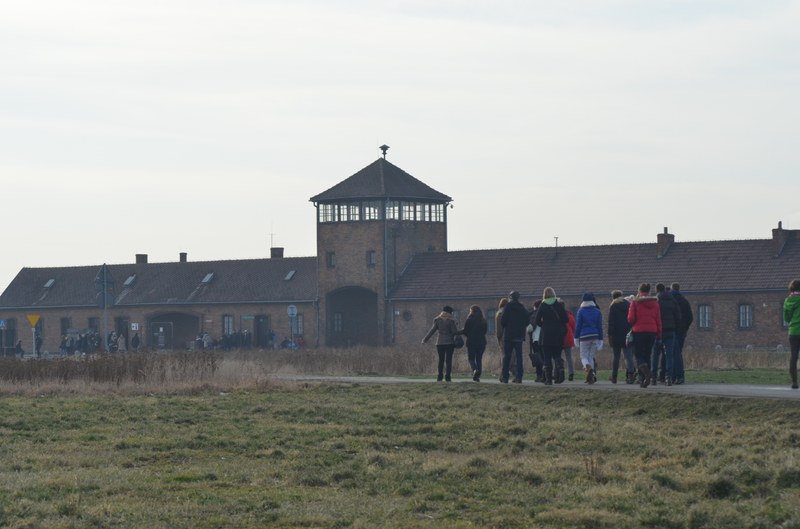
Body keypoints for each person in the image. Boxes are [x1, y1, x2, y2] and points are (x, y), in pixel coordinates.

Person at [532, 287, 568, 385]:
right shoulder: (558, 304)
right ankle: (560, 372)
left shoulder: (543, 305)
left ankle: (548, 380)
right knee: (557, 355)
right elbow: (565, 319)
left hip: (546, 335)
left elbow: (537, 320)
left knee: (547, 357)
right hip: (557, 334)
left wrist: (544, 324)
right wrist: (557, 322)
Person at [628, 283, 662, 388]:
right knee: (647, 355)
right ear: (649, 291)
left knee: (638, 355)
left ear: (639, 291)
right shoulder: (655, 303)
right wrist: (659, 334)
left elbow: (631, 319)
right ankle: (644, 380)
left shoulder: (635, 302)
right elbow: (658, 320)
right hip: (652, 332)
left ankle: (646, 374)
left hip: (638, 331)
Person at [422, 305, 459, 382]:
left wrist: (425, 339)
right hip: (449, 343)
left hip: (440, 343)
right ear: (450, 312)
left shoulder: (437, 320)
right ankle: (448, 377)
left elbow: (432, 331)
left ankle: (439, 377)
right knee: (448, 360)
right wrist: (458, 327)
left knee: (441, 360)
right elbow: (454, 332)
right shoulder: (451, 320)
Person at [499, 291, 530, 383]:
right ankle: (519, 377)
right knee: (519, 357)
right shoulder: (521, 307)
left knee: (507, 356)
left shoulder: (508, 306)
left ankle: (505, 377)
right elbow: (527, 321)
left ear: (510, 297)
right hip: (519, 335)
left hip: (508, 335)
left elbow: (503, 320)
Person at [654, 283, 681, 386]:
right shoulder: (672, 300)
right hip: (670, 330)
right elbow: (678, 316)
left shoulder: (656, 301)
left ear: (657, 290)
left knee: (655, 354)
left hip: (658, 330)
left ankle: (653, 377)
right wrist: (676, 328)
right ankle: (668, 377)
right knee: (669, 355)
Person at [575, 292, 603, 384]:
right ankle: (592, 376)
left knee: (583, 356)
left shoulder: (580, 311)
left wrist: (576, 338)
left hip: (584, 336)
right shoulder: (597, 311)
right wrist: (601, 339)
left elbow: (578, 326)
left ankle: (588, 368)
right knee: (591, 356)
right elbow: (600, 326)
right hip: (595, 336)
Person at [608, 290, 635, 384]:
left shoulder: (613, 306)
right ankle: (631, 375)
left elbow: (611, 323)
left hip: (616, 335)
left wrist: (610, 336)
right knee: (628, 356)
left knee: (616, 357)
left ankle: (614, 377)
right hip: (627, 334)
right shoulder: (628, 305)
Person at [670, 283, 693, 385]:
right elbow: (690, 317)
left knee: (673, 354)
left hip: (671, 330)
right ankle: (678, 376)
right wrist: (685, 328)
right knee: (678, 352)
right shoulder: (684, 301)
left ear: (671, 289)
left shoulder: (669, 301)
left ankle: (675, 376)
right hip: (681, 331)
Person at [461, 305, 488, 382]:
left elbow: (465, 331)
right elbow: (485, 331)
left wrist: (467, 334)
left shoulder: (469, 320)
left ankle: (475, 370)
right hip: (482, 342)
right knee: (479, 359)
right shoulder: (483, 320)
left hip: (472, 342)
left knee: (471, 358)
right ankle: (477, 376)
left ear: (472, 311)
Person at [783, 279, 800, 389]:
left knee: (793, 356)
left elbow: (786, 318)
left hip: (793, 332)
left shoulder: (787, 301)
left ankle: (794, 382)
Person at [563, 304, 576, 381]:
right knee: (569, 357)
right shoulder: (569, 315)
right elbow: (573, 326)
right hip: (568, 337)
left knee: (556, 357)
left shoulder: (557, 314)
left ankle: (557, 372)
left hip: (559, 338)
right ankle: (571, 373)